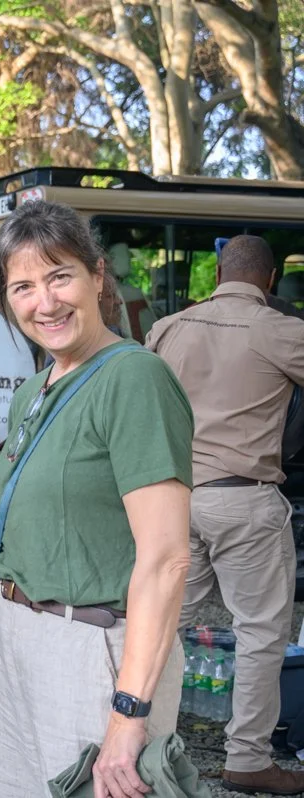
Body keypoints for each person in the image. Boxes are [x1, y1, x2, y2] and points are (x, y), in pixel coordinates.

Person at [0, 201, 194, 797]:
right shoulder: (32, 391)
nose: (44, 303)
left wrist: (129, 713)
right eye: (23, 286)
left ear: (98, 277)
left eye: (59, 276)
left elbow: (167, 560)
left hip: (94, 649)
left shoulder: (134, 379)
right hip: (17, 636)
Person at [147, 234, 304, 795]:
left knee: (155, 625)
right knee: (261, 633)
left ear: (217, 273)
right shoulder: (281, 330)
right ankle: (248, 759)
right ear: (270, 280)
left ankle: (132, 737)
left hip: (170, 500)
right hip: (243, 501)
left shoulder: (167, 329)